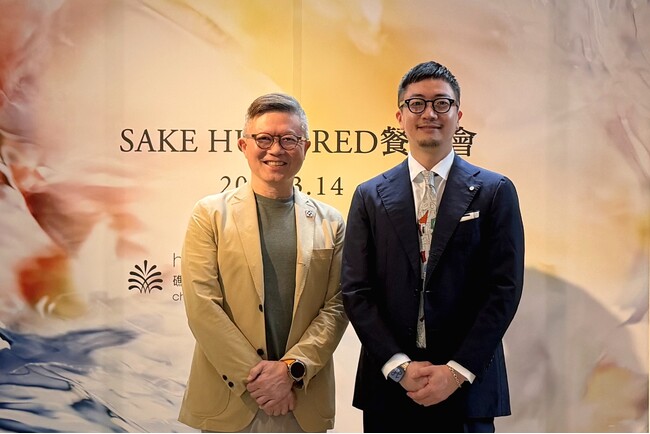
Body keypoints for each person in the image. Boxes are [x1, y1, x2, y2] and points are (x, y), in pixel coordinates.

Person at [341, 61, 525, 433]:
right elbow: (356, 290)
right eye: (417, 104)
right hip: (390, 390)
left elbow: (504, 289)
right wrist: (398, 366)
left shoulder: (495, 191)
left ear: (458, 115)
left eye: (441, 103)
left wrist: (456, 371)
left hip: (467, 389)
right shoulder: (369, 196)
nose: (429, 113)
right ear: (400, 116)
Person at [178, 93, 348, 433]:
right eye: (264, 139)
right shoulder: (209, 214)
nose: (276, 149)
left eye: (288, 139)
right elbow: (202, 306)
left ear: (305, 146)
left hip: (302, 398)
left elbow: (338, 306)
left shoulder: (331, 222)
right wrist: (259, 380)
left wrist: (291, 370)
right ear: (244, 145)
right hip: (231, 399)